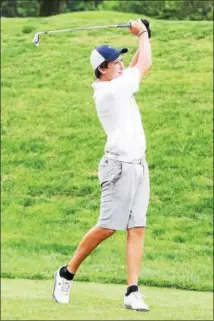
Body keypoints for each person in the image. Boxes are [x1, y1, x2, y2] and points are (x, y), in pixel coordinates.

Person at [53, 18, 152, 311]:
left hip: (138, 165)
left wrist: (142, 40)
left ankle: (132, 291)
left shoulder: (117, 83)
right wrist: (143, 34)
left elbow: (136, 65)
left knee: (137, 227)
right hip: (118, 166)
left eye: (121, 60)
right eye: (115, 62)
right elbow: (143, 65)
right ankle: (66, 272)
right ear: (102, 70)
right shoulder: (109, 92)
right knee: (108, 227)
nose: (121, 65)